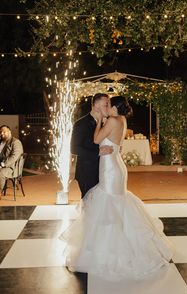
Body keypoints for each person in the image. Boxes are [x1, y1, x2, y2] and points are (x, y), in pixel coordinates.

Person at [61, 96, 172, 280]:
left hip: (109, 171)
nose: (106, 106)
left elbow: (98, 139)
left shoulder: (111, 120)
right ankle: (95, 246)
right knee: (98, 209)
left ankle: (104, 250)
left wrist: (101, 127)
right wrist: (101, 144)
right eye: (104, 104)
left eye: (109, 104)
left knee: (105, 207)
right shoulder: (85, 123)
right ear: (96, 105)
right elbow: (75, 147)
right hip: (93, 171)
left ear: (114, 108)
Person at [71, 93, 113, 198]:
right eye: (106, 105)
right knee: (89, 204)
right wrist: (98, 152)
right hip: (87, 172)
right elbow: (74, 148)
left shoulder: (106, 124)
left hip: (103, 171)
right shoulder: (81, 124)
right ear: (96, 106)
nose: (108, 108)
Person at [0, 125, 23, 197]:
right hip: (2, 164)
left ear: (9, 132)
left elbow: (14, 157)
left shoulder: (16, 142)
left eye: (4, 132)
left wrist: (3, 164)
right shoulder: (1, 142)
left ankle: (0, 191)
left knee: (0, 172)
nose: (2, 133)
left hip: (12, 168)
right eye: (0, 132)